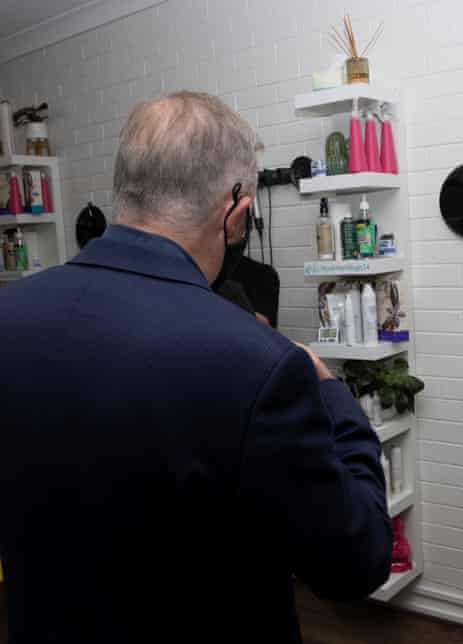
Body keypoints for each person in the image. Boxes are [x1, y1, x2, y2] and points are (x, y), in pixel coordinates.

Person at [0, 92, 391, 644]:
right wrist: (333, 398)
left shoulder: (9, 316)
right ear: (235, 208)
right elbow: (357, 560)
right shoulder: (258, 365)